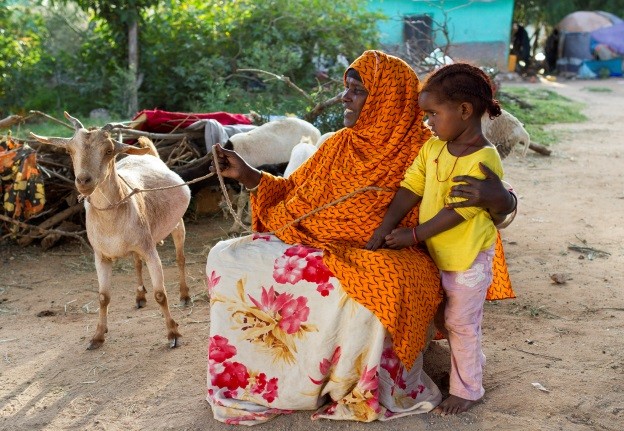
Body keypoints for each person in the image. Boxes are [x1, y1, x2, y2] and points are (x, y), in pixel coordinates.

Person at [205, 50, 516, 425]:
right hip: (325, 239)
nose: (344, 97)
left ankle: (435, 384)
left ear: (386, 98)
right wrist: (250, 175)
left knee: (385, 286)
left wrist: (394, 232)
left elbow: (491, 204)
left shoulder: (428, 145)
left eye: (356, 90)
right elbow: (294, 191)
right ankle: (277, 378)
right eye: (345, 89)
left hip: (404, 251)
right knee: (227, 255)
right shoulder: (339, 144)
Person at [366, 62, 506, 415]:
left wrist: (411, 234)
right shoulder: (434, 148)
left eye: (432, 114)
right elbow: (411, 186)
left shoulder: (484, 158)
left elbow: (462, 210)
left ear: (463, 110)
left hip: (468, 259)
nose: (427, 123)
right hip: (439, 255)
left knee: (460, 323)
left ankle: (468, 390)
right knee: (449, 320)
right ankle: (470, 364)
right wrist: (385, 226)